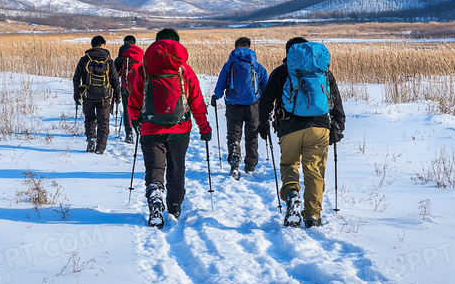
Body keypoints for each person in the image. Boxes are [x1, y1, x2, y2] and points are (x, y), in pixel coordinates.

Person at [127, 28, 212, 228]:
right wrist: (204, 127)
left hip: (150, 129)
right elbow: (197, 101)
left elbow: (135, 99)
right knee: (176, 168)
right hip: (180, 128)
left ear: (156, 43)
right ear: (178, 44)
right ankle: (174, 207)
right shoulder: (185, 70)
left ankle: (156, 197)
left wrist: (134, 120)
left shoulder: (144, 69)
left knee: (155, 168)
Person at [258, 37, 345, 228]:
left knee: (289, 165)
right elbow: (336, 103)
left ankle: (292, 195)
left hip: (289, 128)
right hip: (320, 127)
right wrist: (338, 127)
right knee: (314, 171)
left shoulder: (282, 72)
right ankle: (313, 216)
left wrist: (262, 125)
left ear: (289, 53)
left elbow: (266, 101)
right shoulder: (323, 72)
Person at [212, 37, 269, 176]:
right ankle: (250, 165)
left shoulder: (229, 65)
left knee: (234, 134)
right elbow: (266, 86)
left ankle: (234, 160)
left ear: (236, 47)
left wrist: (216, 96)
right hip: (253, 105)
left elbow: (221, 83)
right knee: (252, 135)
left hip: (233, 105)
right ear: (249, 47)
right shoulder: (257, 66)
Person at [72, 35, 121, 154]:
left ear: (92, 45)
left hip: (88, 94)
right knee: (103, 121)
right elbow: (115, 80)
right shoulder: (109, 61)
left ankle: (91, 138)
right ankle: (101, 147)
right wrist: (117, 95)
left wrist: (77, 94)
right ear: (103, 45)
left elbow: (76, 78)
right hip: (105, 96)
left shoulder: (85, 59)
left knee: (89, 119)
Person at [114, 35, 143, 144]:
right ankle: (139, 129)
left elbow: (115, 75)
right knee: (139, 110)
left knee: (127, 111)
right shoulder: (142, 56)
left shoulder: (122, 57)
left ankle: (129, 133)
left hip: (126, 88)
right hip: (140, 89)